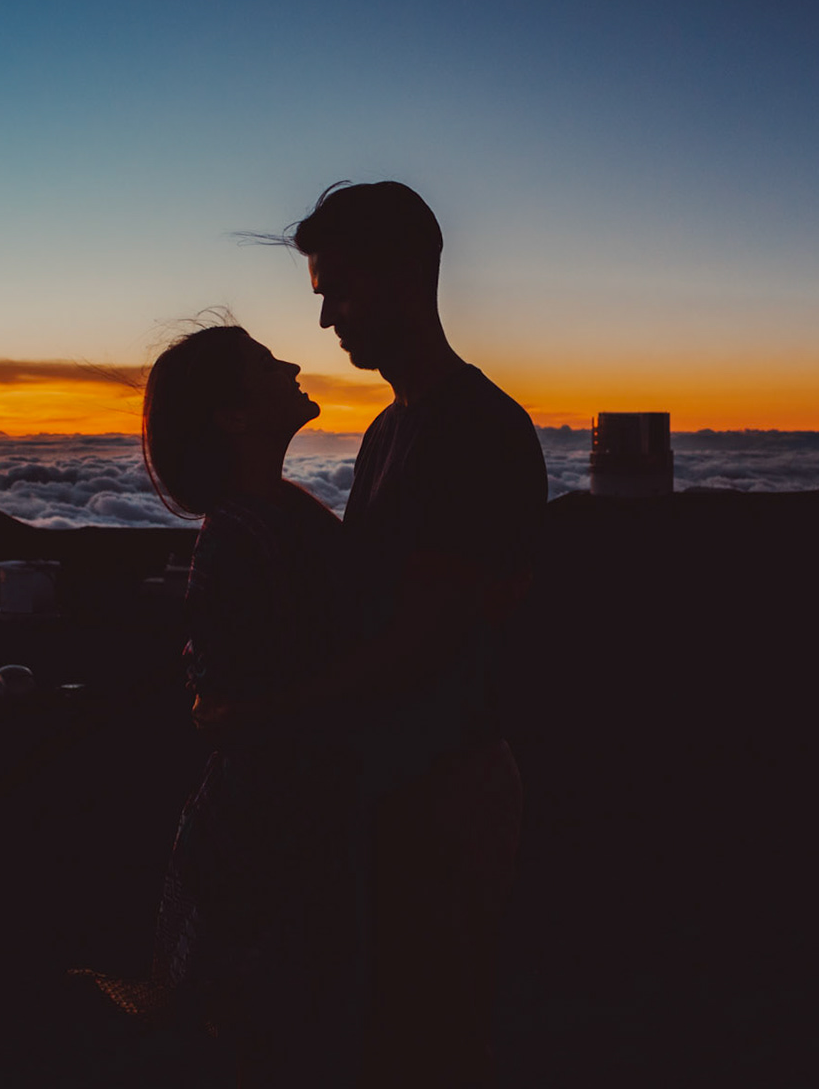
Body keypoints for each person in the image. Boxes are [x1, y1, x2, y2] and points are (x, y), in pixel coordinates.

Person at [204, 182, 546, 1086]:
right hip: (396, 783)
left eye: (339, 288)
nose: (324, 318)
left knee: (433, 1036)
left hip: (448, 784)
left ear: (405, 277)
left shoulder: (474, 428)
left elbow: (419, 644)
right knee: (392, 1027)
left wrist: (262, 713)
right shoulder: (392, 429)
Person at [85, 322, 365, 1087]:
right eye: (268, 362)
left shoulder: (274, 514)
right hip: (275, 832)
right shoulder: (248, 532)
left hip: (275, 822)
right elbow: (239, 703)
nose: (296, 361)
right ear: (233, 417)